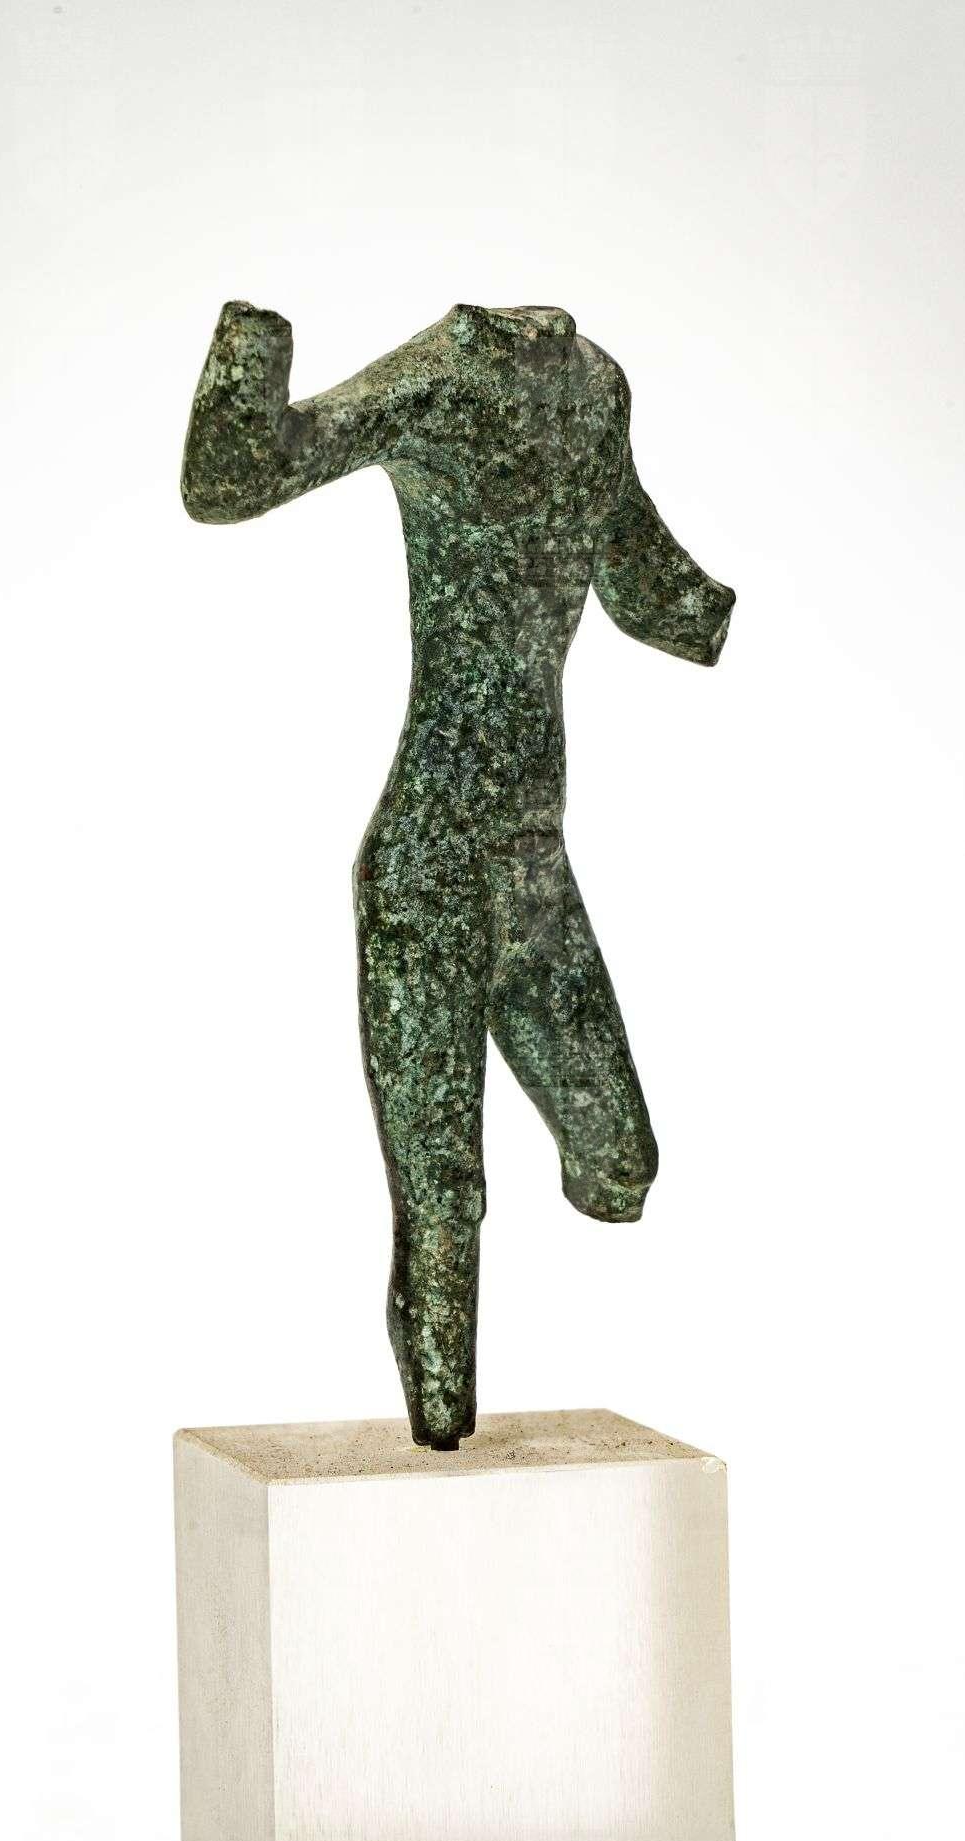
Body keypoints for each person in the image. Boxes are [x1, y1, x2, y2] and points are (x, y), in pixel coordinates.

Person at [181, 300, 735, 1449]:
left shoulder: (592, 389)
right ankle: (440, 1425)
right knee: (445, 1203)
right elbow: (229, 482)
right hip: (426, 865)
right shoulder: (442, 382)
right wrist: (251, 343)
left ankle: (450, 1411)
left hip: (531, 869)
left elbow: (648, 592)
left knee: (618, 1166)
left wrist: (716, 609)